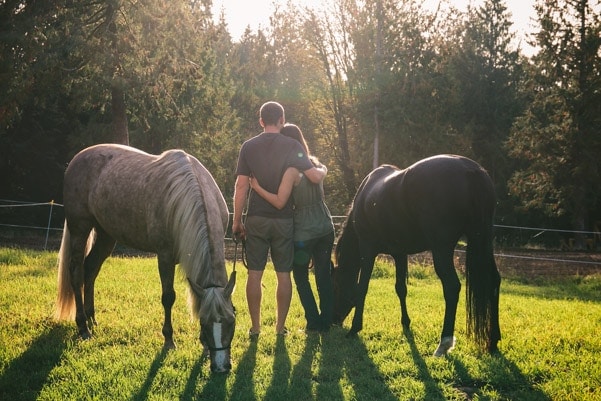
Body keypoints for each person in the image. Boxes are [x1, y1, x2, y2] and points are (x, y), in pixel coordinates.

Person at [232, 102, 326, 337]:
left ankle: (255, 327)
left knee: (254, 273)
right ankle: (280, 327)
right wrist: (324, 169)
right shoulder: (293, 145)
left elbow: (241, 186)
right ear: (282, 120)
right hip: (284, 220)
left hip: (256, 218)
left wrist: (236, 221)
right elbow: (313, 176)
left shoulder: (248, 147)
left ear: (261, 121)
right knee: (283, 274)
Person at [250, 123, 335, 332]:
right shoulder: (315, 164)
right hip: (325, 226)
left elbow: (279, 202)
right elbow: (320, 174)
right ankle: (327, 321)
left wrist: (258, 187)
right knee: (323, 275)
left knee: (301, 278)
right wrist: (324, 169)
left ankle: (313, 322)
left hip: (303, 233)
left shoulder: (291, 172)